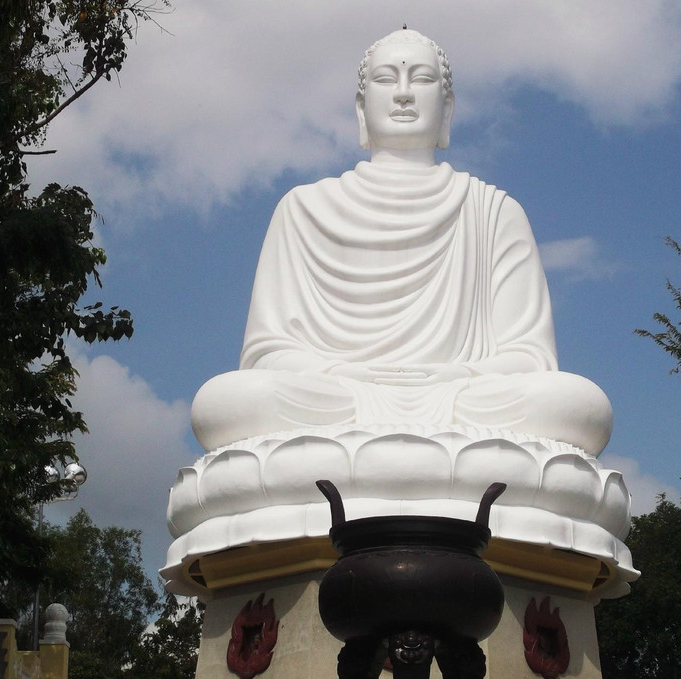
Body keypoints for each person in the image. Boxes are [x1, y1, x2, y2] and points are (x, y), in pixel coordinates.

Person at [191, 28, 613, 456]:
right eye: (386, 79)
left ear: (447, 108)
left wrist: (457, 377)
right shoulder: (302, 207)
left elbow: (529, 356)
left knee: (572, 404)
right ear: (361, 108)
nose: (404, 94)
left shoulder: (493, 210)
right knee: (234, 400)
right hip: (337, 394)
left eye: (423, 79)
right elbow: (267, 351)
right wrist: (343, 375)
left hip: (459, 396)